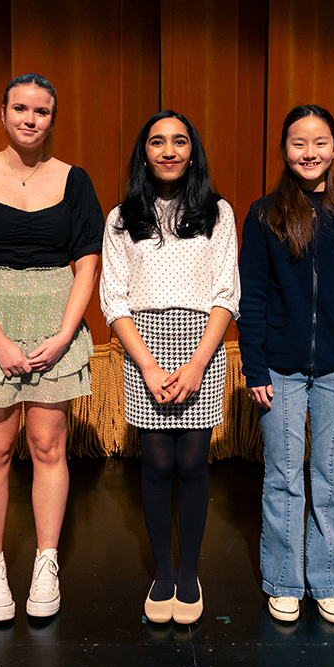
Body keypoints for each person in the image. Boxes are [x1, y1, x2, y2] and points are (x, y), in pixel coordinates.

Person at [0, 73, 103, 622]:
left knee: (49, 445)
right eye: (21, 109)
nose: (31, 119)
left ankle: (46, 561)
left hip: (56, 320)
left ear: (54, 118)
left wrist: (63, 334)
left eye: (43, 111)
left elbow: (87, 265)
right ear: (2, 113)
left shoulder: (75, 181)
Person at [237, 104, 334, 625]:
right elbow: (250, 296)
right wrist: (254, 368)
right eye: (299, 143)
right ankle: (282, 581)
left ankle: (328, 581)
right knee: (281, 475)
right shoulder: (262, 214)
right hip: (279, 367)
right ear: (284, 151)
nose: (310, 153)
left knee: (329, 474)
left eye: (320, 142)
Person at [99, 111, 240, 625]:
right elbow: (113, 299)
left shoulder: (217, 212)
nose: (168, 150)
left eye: (179, 141)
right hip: (144, 349)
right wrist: (150, 366)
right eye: (157, 142)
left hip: (201, 345)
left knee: (192, 464)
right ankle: (162, 572)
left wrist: (199, 362)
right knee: (157, 464)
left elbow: (227, 292)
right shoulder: (120, 217)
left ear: (192, 150)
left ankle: (189, 573)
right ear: (144, 152)